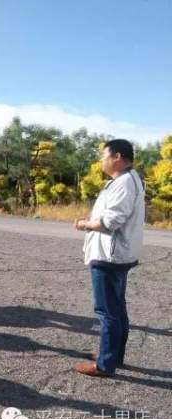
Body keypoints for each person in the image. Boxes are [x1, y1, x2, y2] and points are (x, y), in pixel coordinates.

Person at [74, 139, 145, 377]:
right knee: (117, 308)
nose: (101, 160)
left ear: (117, 157)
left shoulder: (124, 182)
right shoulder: (127, 179)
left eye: (104, 156)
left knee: (107, 311)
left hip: (109, 256)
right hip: (118, 254)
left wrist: (85, 224)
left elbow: (111, 222)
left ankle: (105, 364)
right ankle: (113, 356)